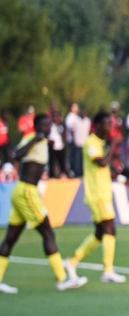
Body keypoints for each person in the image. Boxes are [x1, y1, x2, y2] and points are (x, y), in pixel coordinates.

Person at [0, 113, 89, 293]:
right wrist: (36, 140)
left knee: (10, 238)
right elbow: (16, 154)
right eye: (45, 125)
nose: (49, 128)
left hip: (23, 192)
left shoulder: (43, 141)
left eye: (50, 125)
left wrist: (45, 142)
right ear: (38, 126)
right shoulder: (31, 138)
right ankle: (62, 279)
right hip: (27, 192)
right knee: (48, 232)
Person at [65, 111, 126, 283]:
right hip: (97, 194)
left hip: (103, 192)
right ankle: (108, 271)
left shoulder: (100, 143)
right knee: (110, 229)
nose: (109, 127)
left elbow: (106, 169)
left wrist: (123, 179)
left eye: (110, 124)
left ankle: (72, 261)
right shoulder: (91, 143)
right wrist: (113, 144)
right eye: (106, 124)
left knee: (100, 234)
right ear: (97, 125)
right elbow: (102, 163)